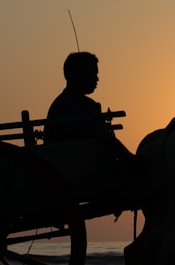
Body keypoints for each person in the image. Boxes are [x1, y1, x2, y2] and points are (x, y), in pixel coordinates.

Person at [45, 51, 137, 208]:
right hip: (77, 170)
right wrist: (130, 159)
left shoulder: (81, 104)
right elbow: (103, 140)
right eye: (93, 73)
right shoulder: (70, 106)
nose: (97, 79)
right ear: (78, 75)